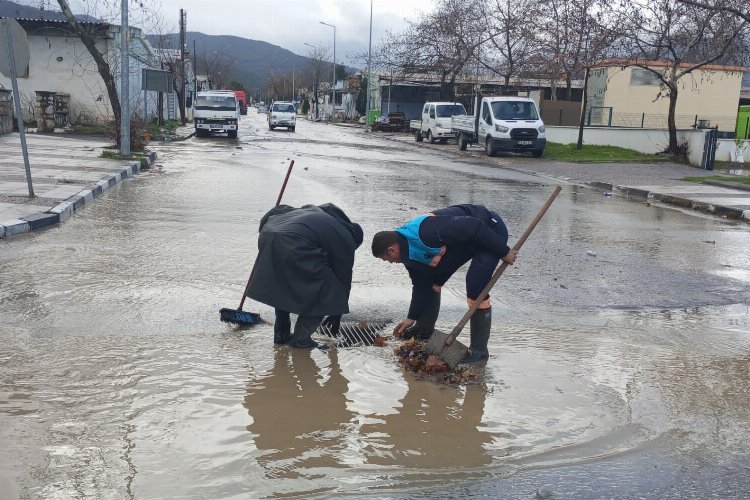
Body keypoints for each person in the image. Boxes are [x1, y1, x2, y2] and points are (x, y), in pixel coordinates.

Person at [371, 204, 517, 363]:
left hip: (488, 228)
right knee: (431, 281)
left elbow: (475, 227)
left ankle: (479, 352)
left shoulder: (427, 232)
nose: (390, 262)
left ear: (392, 249)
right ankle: (424, 329)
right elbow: (420, 285)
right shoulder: (409, 255)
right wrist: (411, 317)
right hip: (467, 240)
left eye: (386, 259)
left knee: (476, 286)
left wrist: (504, 251)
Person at [246, 203, 363, 349]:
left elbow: (274, 211)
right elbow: (343, 277)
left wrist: (269, 237)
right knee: (327, 292)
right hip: (294, 243)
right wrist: (337, 309)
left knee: (282, 282)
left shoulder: (310, 211)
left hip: (268, 235)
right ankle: (301, 339)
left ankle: (281, 333)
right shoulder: (345, 237)